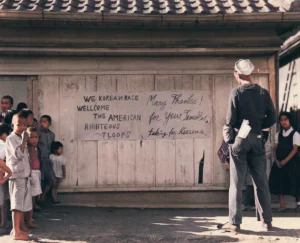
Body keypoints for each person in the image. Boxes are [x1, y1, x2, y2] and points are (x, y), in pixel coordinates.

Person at [218, 59, 277, 233]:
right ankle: (267, 222)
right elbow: (272, 118)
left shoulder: (236, 92)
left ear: (237, 74)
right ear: (250, 73)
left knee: (236, 184)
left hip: (240, 138)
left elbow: (230, 120)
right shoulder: (263, 92)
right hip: (258, 138)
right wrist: (258, 126)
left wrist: (230, 138)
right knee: (261, 182)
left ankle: (234, 223)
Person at [6, 113, 32, 240]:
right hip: (16, 176)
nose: (22, 127)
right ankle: (17, 232)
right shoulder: (11, 138)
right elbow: (18, 155)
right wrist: (23, 141)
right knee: (16, 204)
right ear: (12, 125)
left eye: (25, 125)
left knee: (21, 204)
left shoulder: (21, 138)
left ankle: (17, 229)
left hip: (24, 175)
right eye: (18, 124)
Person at [269, 112, 300, 212]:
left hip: (291, 162)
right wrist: (276, 160)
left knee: (295, 182)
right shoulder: (278, 134)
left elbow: (295, 149)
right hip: (279, 163)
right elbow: (275, 148)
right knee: (279, 184)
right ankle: (282, 206)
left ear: (290, 120)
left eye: (285, 119)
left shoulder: (295, 133)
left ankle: (298, 204)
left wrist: (285, 161)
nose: (283, 122)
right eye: (281, 120)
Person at [38, 115, 55, 204]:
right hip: (39, 159)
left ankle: (43, 197)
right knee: (40, 180)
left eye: (44, 122)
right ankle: (38, 200)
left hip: (48, 159)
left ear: (49, 123)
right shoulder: (38, 133)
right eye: (41, 121)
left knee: (51, 179)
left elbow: (52, 147)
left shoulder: (52, 135)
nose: (42, 123)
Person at [0, 123, 12, 233]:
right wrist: (8, 172)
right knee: (2, 200)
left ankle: (4, 222)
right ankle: (3, 222)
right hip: (2, 175)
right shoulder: (2, 144)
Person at [27, 127, 42, 212]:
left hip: (37, 171)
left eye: (36, 137)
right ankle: (31, 206)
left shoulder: (35, 148)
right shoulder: (28, 149)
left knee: (35, 191)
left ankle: (34, 204)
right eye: (31, 137)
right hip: (31, 172)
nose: (34, 140)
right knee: (31, 191)